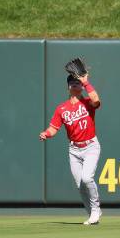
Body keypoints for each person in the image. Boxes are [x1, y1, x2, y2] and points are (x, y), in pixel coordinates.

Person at [39, 73, 102, 225]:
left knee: (87, 178)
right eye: (72, 82)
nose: (75, 84)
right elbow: (53, 128)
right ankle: (92, 215)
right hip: (74, 150)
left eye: (77, 82)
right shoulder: (61, 109)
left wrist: (86, 82)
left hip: (91, 146)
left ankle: (96, 209)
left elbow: (96, 100)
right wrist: (46, 134)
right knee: (80, 185)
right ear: (68, 86)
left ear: (81, 86)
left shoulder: (87, 102)